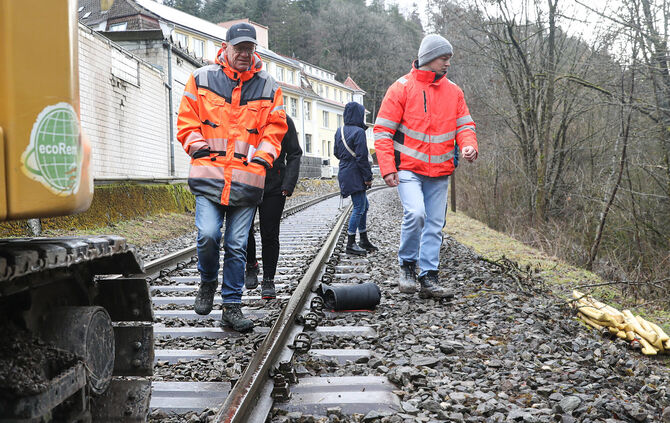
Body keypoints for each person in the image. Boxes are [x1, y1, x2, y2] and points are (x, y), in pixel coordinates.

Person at [177, 22, 287, 332]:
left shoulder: (269, 86)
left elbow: (274, 129)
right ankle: (208, 281)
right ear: (225, 48)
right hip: (210, 176)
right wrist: (197, 148)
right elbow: (187, 121)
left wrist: (264, 158)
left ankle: (232, 306)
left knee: (238, 244)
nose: (243, 53)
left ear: (255, 50)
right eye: (238, 47)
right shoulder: (201, 79)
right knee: (208, 234)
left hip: (246, 180)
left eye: (249, 47)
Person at [373, 34, 478, 299]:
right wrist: (387, 167)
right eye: (444, 58)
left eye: (449, 59)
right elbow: (383, 131)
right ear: (430, 58)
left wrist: (469, 145)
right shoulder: (401, 88)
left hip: (440, 171)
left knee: (435, 224)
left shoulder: (454, 91)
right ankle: (407, 266)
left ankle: (428, 277)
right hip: (408, 169)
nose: (448, 64)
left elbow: (465, 125)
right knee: (416, 214)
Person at [244, 116, 302, 299]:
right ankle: (251, 264)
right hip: (246, 182)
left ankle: (268, 280)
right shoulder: (246, 112)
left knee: (269, 233)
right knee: (243, 230)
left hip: (275, 185)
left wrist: (288, 184)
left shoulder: (284, 120)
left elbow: (294, 153)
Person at [334, 101, 377, 255]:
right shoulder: (359, 132)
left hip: (344, 171)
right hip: (355, 173)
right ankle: (351, 243)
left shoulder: (339, 131)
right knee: (359, 207)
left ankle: (363, 239)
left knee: (364, 205)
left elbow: (336, 153)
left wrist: (347, 160)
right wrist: (368, 177)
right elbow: (362, 157)